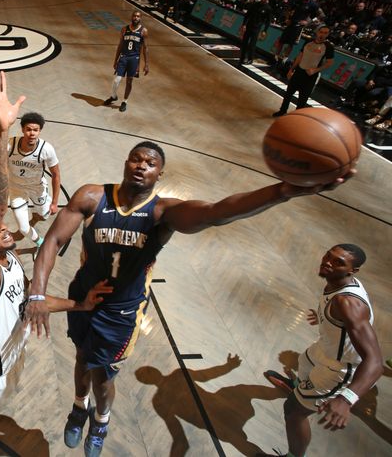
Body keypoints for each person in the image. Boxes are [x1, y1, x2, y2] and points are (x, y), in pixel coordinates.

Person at [25, 141, 353, 457]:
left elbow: (216, 212)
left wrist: (282, 192)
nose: (142, 165)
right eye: (136, 159)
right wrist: (38, 292)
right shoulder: (92, 196)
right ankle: (79, 408)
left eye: (151, 163)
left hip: (122, 312)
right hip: (82, 297)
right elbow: (53, 240)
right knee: (82, 358)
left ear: (159, 174)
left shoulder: (162, 212)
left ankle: (100, 422)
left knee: (102, 376)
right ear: (126, 162)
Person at [0, 69, 111, 457]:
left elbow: (32, 302)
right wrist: (1, 132)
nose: (4, 228)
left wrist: (78, 305)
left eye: (2, 227)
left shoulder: (13, 259)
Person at [262, 245, 383, 457]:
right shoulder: (339, 283)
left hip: (340, 369)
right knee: (304, 362)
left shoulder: (347, 303)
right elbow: (343, 319)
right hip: (325, 350)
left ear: (352, 271)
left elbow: (375, 362)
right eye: (329, 255)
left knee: (292, 411)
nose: (328, 262)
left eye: (338, 262)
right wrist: (326, 319)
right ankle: (302, 391)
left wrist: (346, 399)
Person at [4, 112, 61, 248]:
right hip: (16, 189)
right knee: (24, 229)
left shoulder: (47, 149)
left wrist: (55, 203)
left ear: (40, 131)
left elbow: (56, 175)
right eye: (28, 129)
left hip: (37, 187)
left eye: (35, 130)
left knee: (44, 214)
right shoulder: (10, 145)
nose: (32, 133)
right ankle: (40, 242)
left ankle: (37, 211)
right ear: (23, 129)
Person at [273, 26, 335, 117]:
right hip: (299, 72)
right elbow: (300, 55)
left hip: (310, 76)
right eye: (321, 32)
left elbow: (329, 62)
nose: (322, 34)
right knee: (288, 94)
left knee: (302, 100)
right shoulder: (308, 42)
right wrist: (291, 69)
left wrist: (315, 70)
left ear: (328, 35)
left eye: (326, 33)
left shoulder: (328, 47)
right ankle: (282, 111)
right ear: (317, 32)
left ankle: (297, 117)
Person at [103, 11, 149, 113]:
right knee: (116, 80)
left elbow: (145, 48)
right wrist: (116, 60)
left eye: (138, 16)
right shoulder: (124, 29)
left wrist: (146, 64)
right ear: (131, 17)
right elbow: (120, 45)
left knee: (129, 81)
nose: (136, 18)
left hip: (134, 59)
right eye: (134, 16)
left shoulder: (143, 31)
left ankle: (125, 101)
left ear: (140, 18)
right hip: (123, 57)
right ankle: (114, 96)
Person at [239, 0, 272, 65]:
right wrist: (244, 24)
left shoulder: (268, 8)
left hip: (257, 28)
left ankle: (250, 59)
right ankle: (242, 57)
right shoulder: (255, 5)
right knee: (244, 42)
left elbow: (268, 21)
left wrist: (265, 30)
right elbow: (248, 15)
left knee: (252, 44)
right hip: (249, 25)